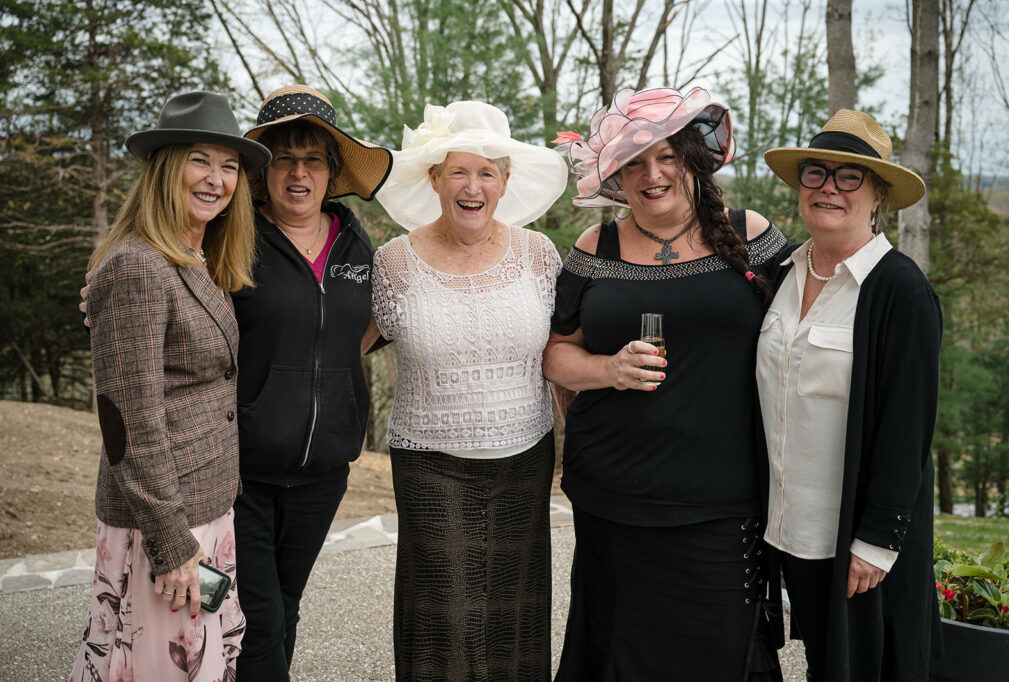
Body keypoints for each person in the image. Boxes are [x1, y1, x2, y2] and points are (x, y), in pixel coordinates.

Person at [543, 86, 788, 681]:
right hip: (614, 493)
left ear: (694, 160)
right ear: (615, 178)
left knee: (720, 649)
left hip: (722, 495)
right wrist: (607, 370)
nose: (652, 174)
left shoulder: (750, 234)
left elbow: (806, 330)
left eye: (667, 156)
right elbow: (554, 354)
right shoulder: (593, 246)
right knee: (617, 648)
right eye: (633, 163)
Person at [69, 91, 271, 681]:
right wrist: (172, 542)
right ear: (164, 167)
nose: (217, 179)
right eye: (199, 160)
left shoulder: (194, 257)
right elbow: (127, 423)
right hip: (163, 518)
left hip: (204, 506)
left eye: (229, 166)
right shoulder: (138, 265)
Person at [371, 100, 567, 680]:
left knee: (514, 615)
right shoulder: (394, 263)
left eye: (487, 172)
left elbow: (557, 359)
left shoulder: (540, 257)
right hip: (430, 463)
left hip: (526, 460)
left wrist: (577, 452)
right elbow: (339, 342)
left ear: (506, 182)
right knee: (445, 621)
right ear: (434, 179)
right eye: (458, 171)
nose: (472, 186)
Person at [757, 110, 943, 681]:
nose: (828, 188)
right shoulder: (776, 273)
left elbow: (907, 428)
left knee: (863, 668)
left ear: (878, 195)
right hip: (782, 528)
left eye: (848, 177)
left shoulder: (900, 291)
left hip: (853, 543)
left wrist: (876, 540)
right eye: (816, 173)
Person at [231, 84, 393, 680]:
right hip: (242, 469)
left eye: (313, 159)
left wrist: (328, 363)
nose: (299, 173)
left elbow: (372, 321)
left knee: (286, 605)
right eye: (284, 157)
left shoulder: (355, 242)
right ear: (263, 167)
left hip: (324, 472)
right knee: (259, 614)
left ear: (331, 171)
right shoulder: (233, 236)